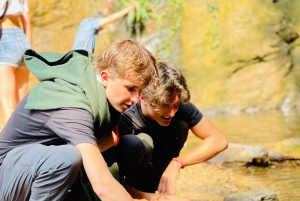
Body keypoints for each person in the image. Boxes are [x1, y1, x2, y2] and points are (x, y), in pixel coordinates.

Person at [0, 39, 160, 201]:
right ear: (105, 77)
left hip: (38, 169)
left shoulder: (96, 87)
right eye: (131, 88)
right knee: (66, 157)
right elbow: (102, 184)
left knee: (133, 145)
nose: (135, 99)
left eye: (139, 91)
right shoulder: (71, 104)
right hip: (7, 176)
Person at [115, 62, 228, 199]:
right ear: (143, 98)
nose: (171, 113)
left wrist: (178, 162)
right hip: (122, 184)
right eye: (164, 105)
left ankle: (152, 188)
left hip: (150, 180)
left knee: (180, 126)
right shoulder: (126, 118)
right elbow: (110, 180)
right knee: (142, 141)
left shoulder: (177, 105)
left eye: (175, 105)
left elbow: (219, 140)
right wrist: (152, 198)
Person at [0, 0, 32, 126]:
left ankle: (10, 146)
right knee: (22, 107)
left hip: (4, 39)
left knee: (7, 104)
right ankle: (25, 144)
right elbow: (27, 22)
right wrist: (29, 52)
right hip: (23, 41)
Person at [72, 0, 137, 53]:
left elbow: (102, 18)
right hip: (80, 58)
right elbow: (112, 18)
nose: (102, 29)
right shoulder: (90, 23)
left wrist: (108, 8)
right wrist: (129, 8)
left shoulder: (89, 24)